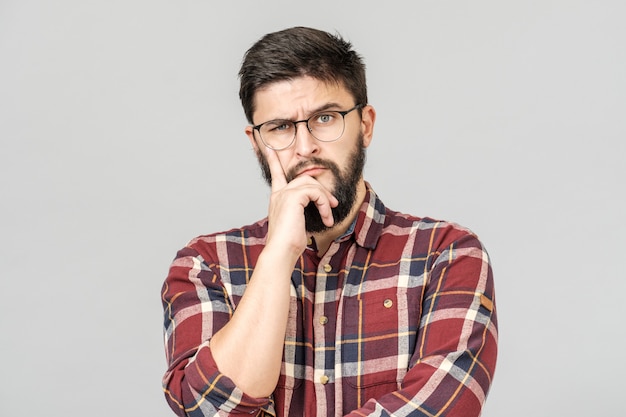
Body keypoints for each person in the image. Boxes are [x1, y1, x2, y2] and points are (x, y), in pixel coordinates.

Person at [161, 26, 498, 417]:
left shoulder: (447, 254)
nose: (305, 148)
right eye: (281, 127)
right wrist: (278, 255)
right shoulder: (205, 265)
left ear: (366, 125)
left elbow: (443, 407)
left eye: (325, 118)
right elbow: (207, 409)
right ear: (256, 142)